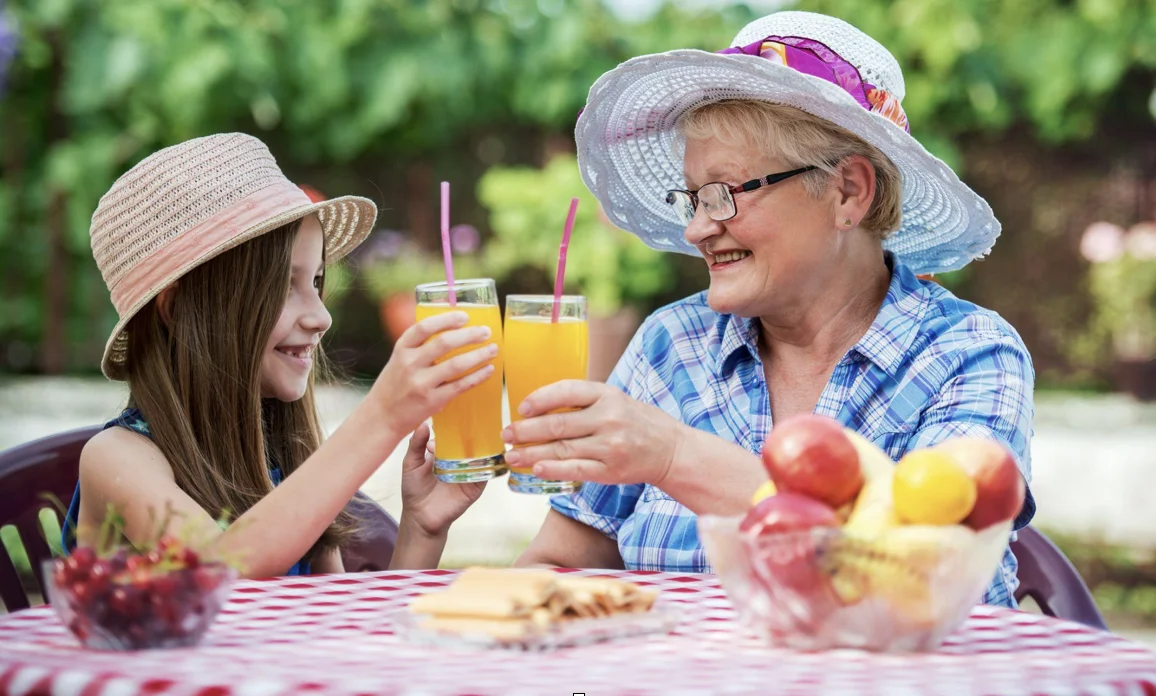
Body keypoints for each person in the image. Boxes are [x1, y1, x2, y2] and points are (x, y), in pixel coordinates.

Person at [507, 11, 1035, 607]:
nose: (697, 227)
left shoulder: (965, 354)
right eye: (692, 197)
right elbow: (558, 562)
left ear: (848, 192)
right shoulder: (673, 344)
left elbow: (922, 572)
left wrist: (674, 456)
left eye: (724, 193)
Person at [62, 133, 495, 577]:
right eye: (283, 287)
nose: (321, 316)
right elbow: (221, 575)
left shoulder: (284, 457)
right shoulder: (117, 459)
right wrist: (382, 415)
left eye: (317, 282)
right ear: (175, 310)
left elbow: (334, 630)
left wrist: (420, 530)